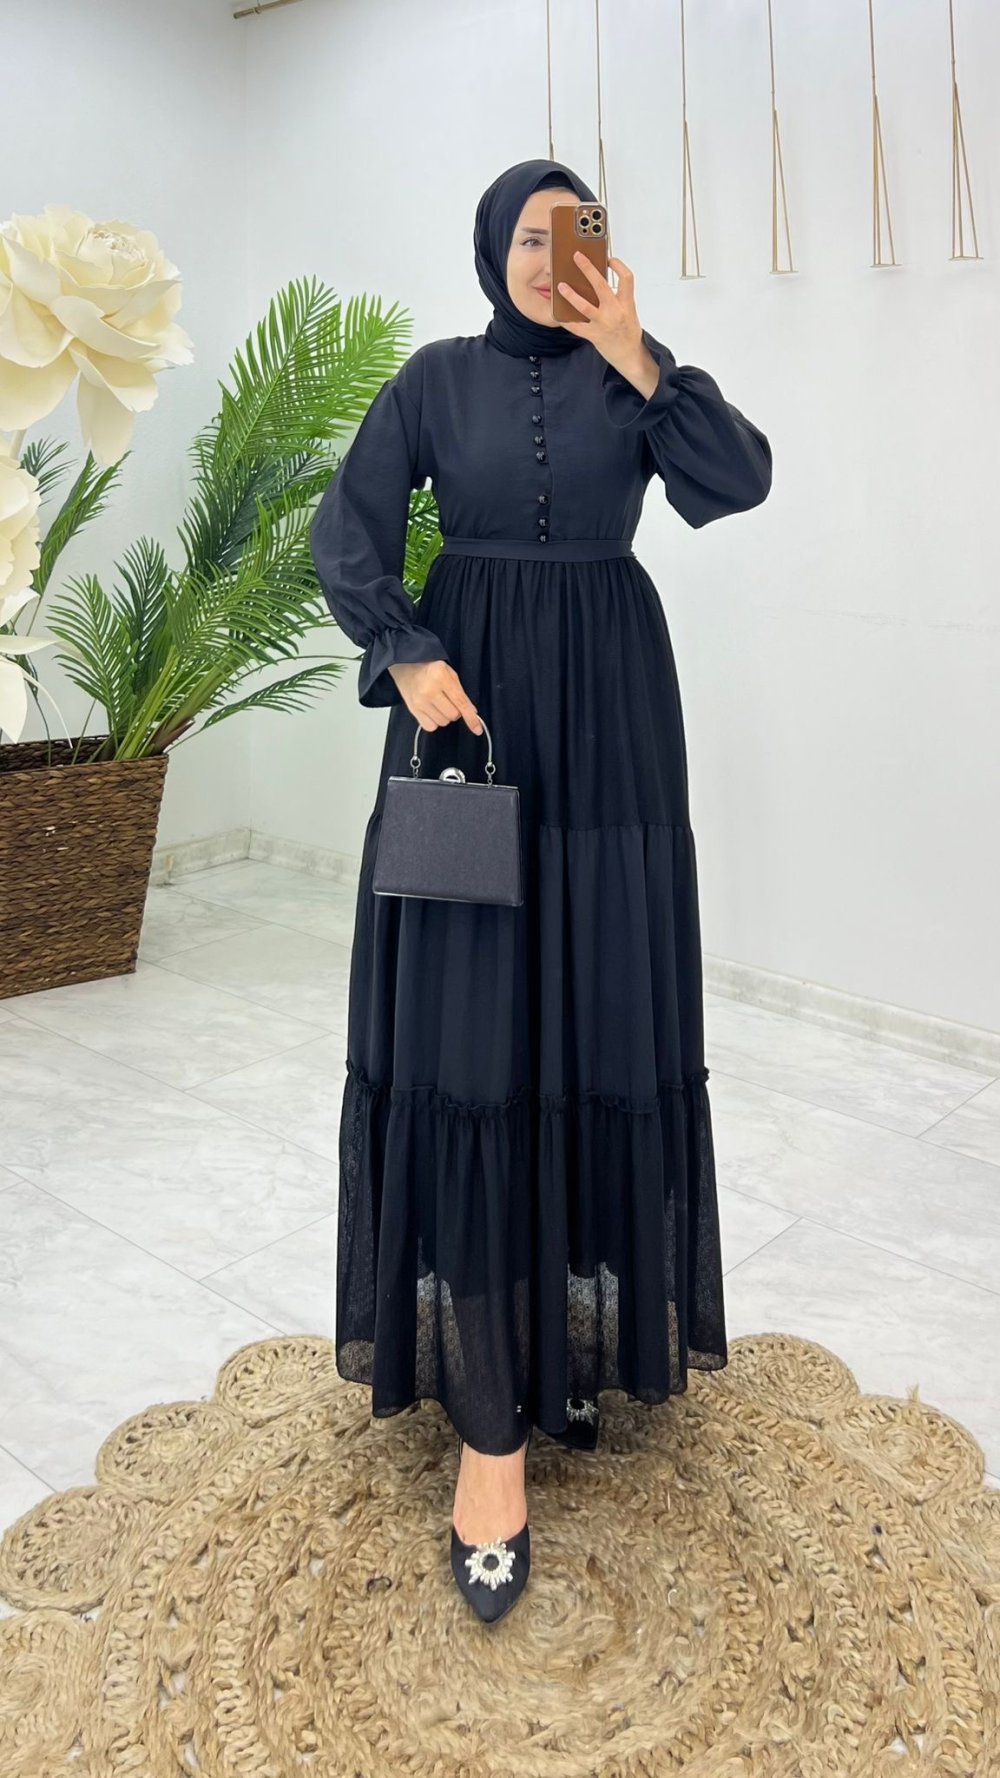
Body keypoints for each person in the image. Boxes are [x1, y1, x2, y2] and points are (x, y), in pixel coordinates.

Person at [309, 157, 772, 1625]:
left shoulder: (639, 376)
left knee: (597, 1009)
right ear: (488, 248)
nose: (544, 256)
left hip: (613, 723)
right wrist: (402, 651)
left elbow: (738, 480)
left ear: (599, 254)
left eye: (570, 234)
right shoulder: (434, 380)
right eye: (524, 234)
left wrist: (641, 354)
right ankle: (489, 1431)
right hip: (468, 718)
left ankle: (574, 1340)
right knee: (467, 1038)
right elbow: (346, 528)